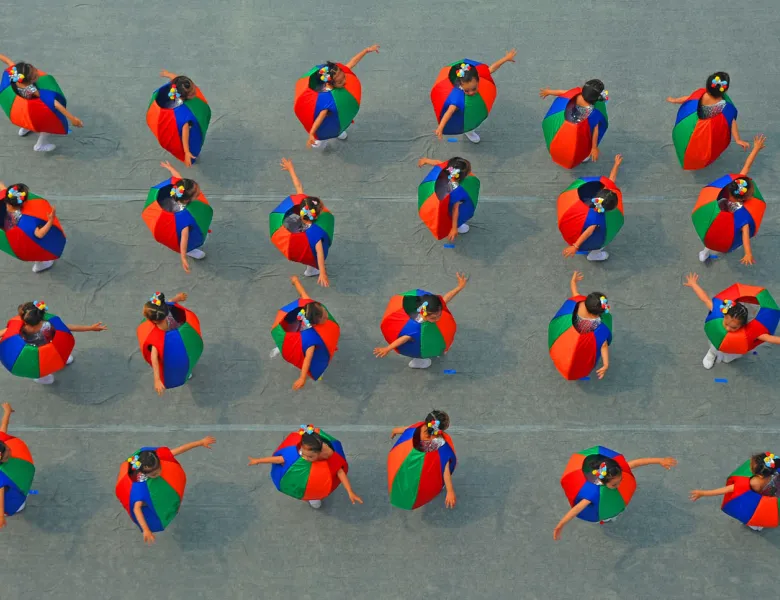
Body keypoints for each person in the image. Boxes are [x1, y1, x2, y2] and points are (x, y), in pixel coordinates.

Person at [553, 455, 677, 540]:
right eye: (614, 485)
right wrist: (561, 525)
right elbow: (576, 509)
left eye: (620, 480)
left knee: (613, 514)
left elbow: (637, 462)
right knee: (606, 518)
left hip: (612, 505)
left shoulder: (617, 472)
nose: (618, 486)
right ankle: (605, 521)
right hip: (602, 511)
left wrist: (660, 460)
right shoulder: (594, 493)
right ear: (603, 482)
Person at [248, 425, 362, 509]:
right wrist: (257, 461)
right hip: (302, 479)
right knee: (305, 491)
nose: (306, 458)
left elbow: (340, 472)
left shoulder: (329, 456)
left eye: (310, 457)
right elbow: (278, 459)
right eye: (303, 453)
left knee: (314, 497)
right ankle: (310, 497)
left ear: (319, 453)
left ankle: (313, 499)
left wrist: (350, 491)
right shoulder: (300, 452)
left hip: (317, 484)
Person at [128, 436, 216, 544]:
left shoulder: (161, 458)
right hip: (149, 492)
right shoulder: (140, 485)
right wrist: (146, 529)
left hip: (158, 487)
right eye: (154, 474)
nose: (158, 473)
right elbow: (136, 508)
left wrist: (201, 442)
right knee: (144, 502)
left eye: (159, 469)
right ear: (144, 473)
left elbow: (181, 449)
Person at [684, 273, 780, 369]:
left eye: (734, 327)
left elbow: (770, 338)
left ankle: (723, 357)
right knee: (714, 348)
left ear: (742, 325)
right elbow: (705, 299)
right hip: (718, 340)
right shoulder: (718, 311)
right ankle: (711, 354)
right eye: (726, 324)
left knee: (728, 358)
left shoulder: (752, 332)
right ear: (724, 316)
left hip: (734, 349)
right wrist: (694, 284)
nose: (728, 328)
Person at [374, 272, 468, 369]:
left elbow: (446, 298)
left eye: (439, 315)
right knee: (425, 349)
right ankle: (425, 359)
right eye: (433, 318)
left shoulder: (430, 309)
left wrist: (459, 287)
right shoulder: (416, 326)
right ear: (424, 314)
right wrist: (387, 348)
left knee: (429, 347)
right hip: (424, 342)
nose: (437, 319)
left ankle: (427, 358)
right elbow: (403, 339)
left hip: (429, 339)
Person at [698, 134, 767, 265]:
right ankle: (718, 249)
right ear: (745, 198)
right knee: (727, 242)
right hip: (729, 230)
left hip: (716, 223)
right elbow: (745, 236)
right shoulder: (743, 215)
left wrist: (755, 149)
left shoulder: (725, 190)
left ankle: (705, 252)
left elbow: (746, 167)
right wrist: (748, 253)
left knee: (711, 238)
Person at [0, 301, 107, 384]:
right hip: (31, 354)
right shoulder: (17, 330)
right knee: (39, 369)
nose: (42, 324)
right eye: (39, 323)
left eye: (41, 322)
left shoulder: (47, 325)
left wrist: (90, 328)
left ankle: (61, 360)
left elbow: (67, 327)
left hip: (49, 348)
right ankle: (42, 377)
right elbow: (3, 334)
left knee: (59, 355)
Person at [0, 56, 84, 152]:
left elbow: (7, 60)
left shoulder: (15, 76)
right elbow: (55, 104)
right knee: (49, 124)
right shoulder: (34, 91)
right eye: (35, 76)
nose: (37, 73)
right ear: (30, 81)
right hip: (37, 111)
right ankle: (40, 145)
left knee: (26, 118)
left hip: (23, 107)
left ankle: (25, 128)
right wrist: (73, 119)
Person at [306, 45, 380, 150]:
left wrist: (366, 50)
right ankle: (322, 144)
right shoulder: (328, 100)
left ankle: (338, 131)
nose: (344, 81)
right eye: (340, 82)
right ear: (330, 84)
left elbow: (352, 62)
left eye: (344, 78)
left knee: (339, 128)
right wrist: (312, 133)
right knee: (319, 143)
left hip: (336, 117)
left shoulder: (336, 77)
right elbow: (320, 118)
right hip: (326, 125)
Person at [434, 50, 516, 144]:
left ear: (478, 80)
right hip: (466, 115)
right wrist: (441, 127)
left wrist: (505, 59)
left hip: (475, 109)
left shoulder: (480, 77)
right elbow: (449, 112)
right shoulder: (457, 98)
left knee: (475, 119)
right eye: (467, 90)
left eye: (474, 88)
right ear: (461, 86)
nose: (471, 92)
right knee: (469, 125)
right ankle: (469, 131)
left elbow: (492, 68)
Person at [690, 452, 780, 531]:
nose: (749, 466)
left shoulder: (753, 483)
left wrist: (703, 493)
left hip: (756, 501)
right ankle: (763, 521)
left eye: (751, 466)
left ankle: (757, 525)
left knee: (754, 516)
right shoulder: (774, 473)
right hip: (772, 494)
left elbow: (726, 489)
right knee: (767, 510)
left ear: (760, 475)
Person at [561, 154, 623, 261]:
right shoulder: (597, 219)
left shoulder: (594, 200)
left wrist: (616, 165)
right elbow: (588, 232)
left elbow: (611, 179)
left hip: (578, 224)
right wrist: (575, 247)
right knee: (600, 242)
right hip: (587, 237)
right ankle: (595, 255)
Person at [389, 410, 456, 508]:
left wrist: (395, 430)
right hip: (427, 465)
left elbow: (407, 429)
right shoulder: (439, 444)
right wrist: (450, 491)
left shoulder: (418, 428)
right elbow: (445, 468)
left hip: (411, 463)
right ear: (442, 428)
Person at [666, 71, 749, 151]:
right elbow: (732, 121)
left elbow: (690, 99)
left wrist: (675, 100)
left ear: (708, 87)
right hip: (711, 128)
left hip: (699, 117)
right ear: (724, 90)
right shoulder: (723, 104)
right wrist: (738, 139)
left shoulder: (704, 95)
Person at [280, 158, 329, 286]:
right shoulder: (316, 233)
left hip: (299, 240)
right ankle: (311, 270)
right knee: (311, 258)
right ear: (317, 216)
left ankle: (310, 270)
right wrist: (322, 272)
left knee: (307, 256)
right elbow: (319, 254)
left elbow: (298, 186)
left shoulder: (299, 209)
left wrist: (291, 169)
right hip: (308, 248)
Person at [540, 79, 608, 162]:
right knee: (581, 140)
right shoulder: (592, 111)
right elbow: (595, 129)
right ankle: (582, 155)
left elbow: (563, 93)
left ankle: (566, 146)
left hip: (572, 116)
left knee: (571, 136)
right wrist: (593, 147)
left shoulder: (577, 95)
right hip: (583, 125)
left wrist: (549, 92)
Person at [159, 161, 207, 272]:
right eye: (197, 193)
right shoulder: (185, 218)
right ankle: (191, 251)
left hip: (174, 222)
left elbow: (177, 177)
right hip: (181, 231)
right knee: (187, 242)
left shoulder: (180, 190)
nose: (199, 192)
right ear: (187, 200)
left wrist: (170, 168)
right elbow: (184, 239)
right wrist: (183, 257)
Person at [0, 182, 59, 272]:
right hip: (18, 235)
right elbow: (39, 234)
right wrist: (50, 221)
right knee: (36, 246)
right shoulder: (27, 219)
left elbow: (2, 187)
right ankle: (41, 262)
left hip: (8, 229)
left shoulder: (4, 197)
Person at [142, 291, 190, 395]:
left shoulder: (157, 332)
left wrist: (157, 379)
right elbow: (170, 302)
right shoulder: (164, 311)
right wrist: (177, 298)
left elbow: (154, 358)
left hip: (171, 343)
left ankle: (184, 371)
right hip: (177, 339)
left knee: (176, 360)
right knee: (182, 357)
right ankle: (186, 370)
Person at [417, 156, 474, 241]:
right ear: (462, 177)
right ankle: (459, 226)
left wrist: (426, 160)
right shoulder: (456, 190)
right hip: (447, 204)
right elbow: (455, 209)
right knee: (455, 215)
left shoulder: (448, 169)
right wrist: (454, 228)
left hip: (440, 193)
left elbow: (438, 162)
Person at [569, 271, 610, 378]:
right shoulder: (597, 323)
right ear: (597, 314)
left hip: (575, 331)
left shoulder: (579, 304)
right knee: (583, 357)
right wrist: (606, 364)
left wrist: (573, 282)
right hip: (588, 340)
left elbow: (575, 292)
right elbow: (604, 345)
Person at [157, 71, 201, 166]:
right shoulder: (185, 115)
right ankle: (191, 157)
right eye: (193, 93)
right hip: (180, 128)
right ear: (184, 97)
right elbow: (185, 133)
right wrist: (187, 152)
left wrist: (168, 74)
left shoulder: (175, 89)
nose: (195, 91)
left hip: (171, 118)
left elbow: (177, 80)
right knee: (192, 145)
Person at [0, 402, 32, 529]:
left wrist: (7, 412)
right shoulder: (3, 476)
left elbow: (3, 427)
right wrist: (1, 516)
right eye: (8, 451)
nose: (10, 450)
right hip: (15, 502)